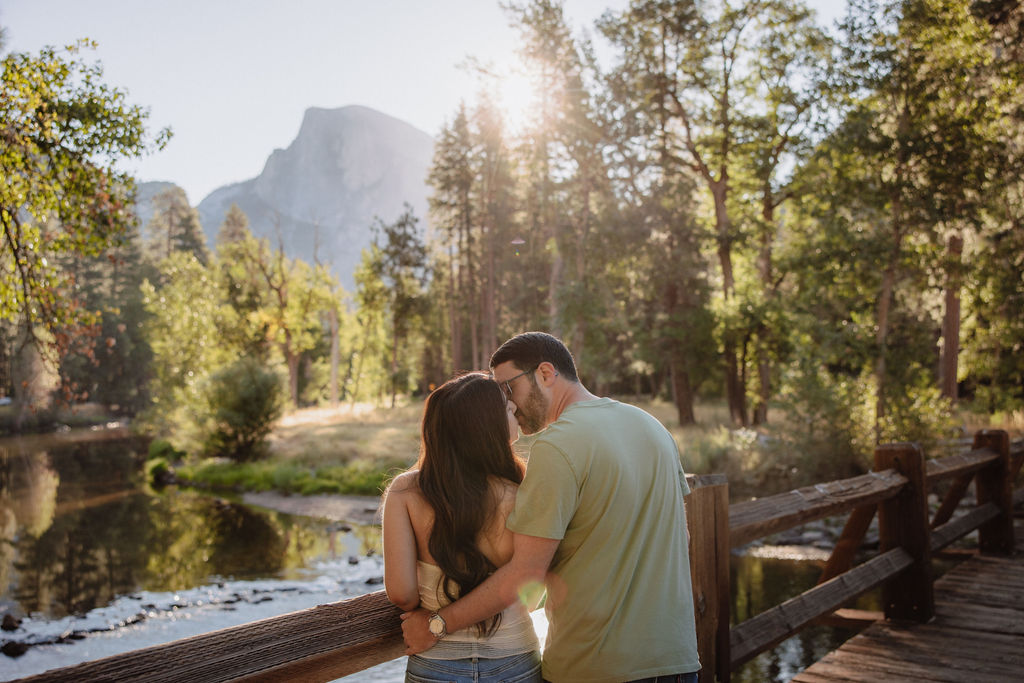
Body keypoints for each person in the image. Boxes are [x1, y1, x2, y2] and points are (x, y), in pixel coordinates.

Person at [402, 332, 700, 683]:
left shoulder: (556, 447)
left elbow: (525, 573)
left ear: (545, 373)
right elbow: (683, 536)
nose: (507, 404)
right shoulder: (653, 428)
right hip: (676, 660)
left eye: (508, 388)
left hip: (596, 666)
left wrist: (437, 624)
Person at [382, 372, 542, 683]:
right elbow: (531, 582)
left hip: (435, 663)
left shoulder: (405, 492)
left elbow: (402, 594)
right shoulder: (525, 489)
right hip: (514, 660)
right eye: (508, 409)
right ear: (487, 425)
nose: (515, 412)